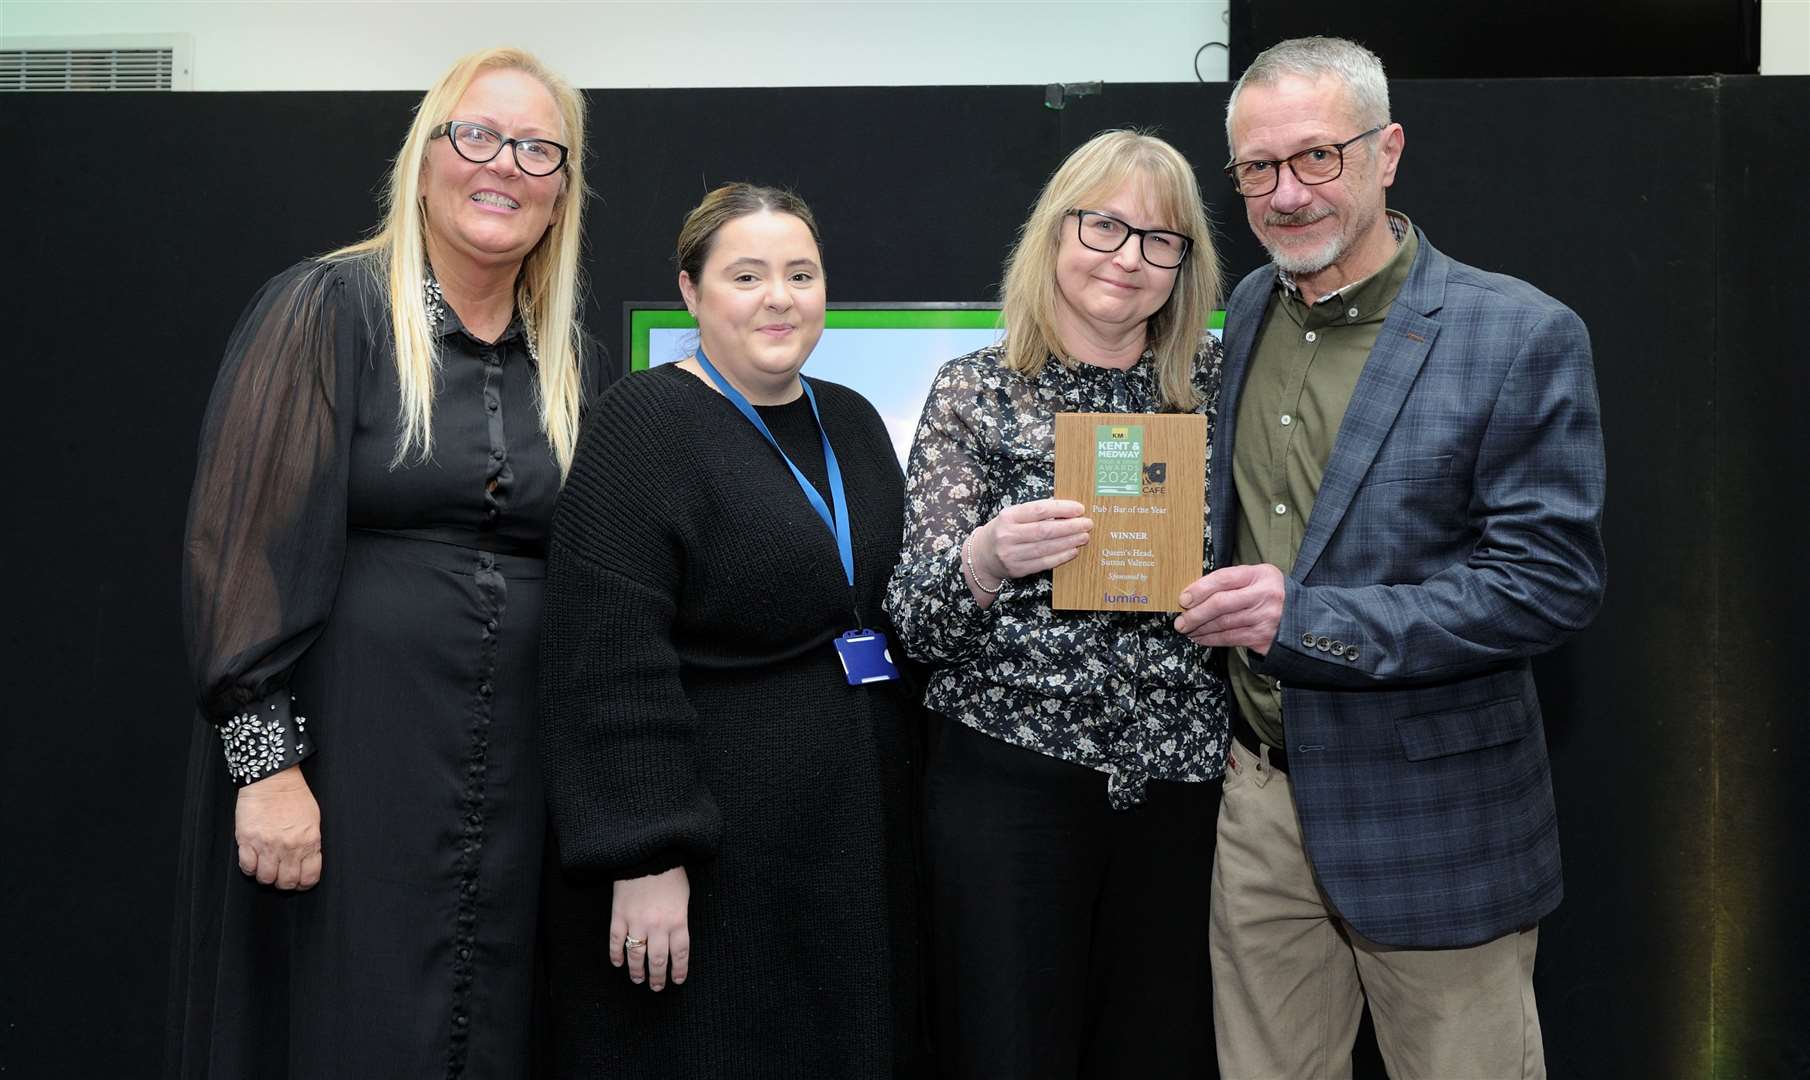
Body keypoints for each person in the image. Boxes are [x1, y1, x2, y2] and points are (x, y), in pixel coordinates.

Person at [1177, 36, 1607, 1079]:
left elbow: (1547, 586)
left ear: (1387, 152)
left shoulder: (1515, 334)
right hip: (1262, 806)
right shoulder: (1244, 313)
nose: (1287, 193)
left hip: (1436, 824)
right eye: (1258, 169)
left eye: (1318, 156)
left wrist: (1307, 620)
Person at [169, 47, 598, 1078]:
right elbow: (236, 556)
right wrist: (264, 770)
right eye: (478, 135)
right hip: (349, 766)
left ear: (562, 193)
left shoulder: (560, 356)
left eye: (539, 149)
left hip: (510, 786)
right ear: (425, 157)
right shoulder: (328, 308)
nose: (505, 164)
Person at [536, 184, 925, 1077]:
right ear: (691, 291)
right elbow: (606, 658)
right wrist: (645, 852)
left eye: (801, 273)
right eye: (745, 275)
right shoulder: (641, 425)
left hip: (845, 839)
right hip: (713, 855)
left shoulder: (855, 422)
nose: (779, 297)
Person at [884, 129, 1227, 1078]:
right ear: (1055, 232)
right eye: (1106, 226)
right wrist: (985, 559)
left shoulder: (1220, 391)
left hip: (1181, 793)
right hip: (1012, 789)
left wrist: (1238, 606)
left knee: (1162, 1054)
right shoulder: (976, 392)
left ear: (1185, 266)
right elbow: (915, 623)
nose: (1130, 258)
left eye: (1162, 240)